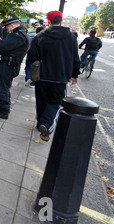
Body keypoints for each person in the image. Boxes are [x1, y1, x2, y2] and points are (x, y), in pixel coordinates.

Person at [27, 10, 80, 141]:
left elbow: (31, 55)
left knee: (41, 100)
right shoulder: (71, 37)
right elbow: (75, 58)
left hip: (43, 75)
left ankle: (41, 123)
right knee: (56, 102)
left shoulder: (41, 35)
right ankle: (46, 123)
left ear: (48, 21)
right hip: (61, 77)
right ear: (61, 20)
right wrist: (74, 74)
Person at [0, 18, 29, 119]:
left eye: (7, 28)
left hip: (9, 64)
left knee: (1, 87)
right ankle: (4, 106)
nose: (6, 30)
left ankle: (4, 111)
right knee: (4, 86)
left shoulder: (17, 36)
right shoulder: (20, 34)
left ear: (11, 26)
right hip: (11, 63)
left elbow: (3, 47)